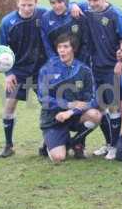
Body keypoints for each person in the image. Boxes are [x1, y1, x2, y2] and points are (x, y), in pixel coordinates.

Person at [71, 0, 122, 160]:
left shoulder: (115, 14)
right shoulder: (87, 10)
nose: (92, 3)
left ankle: (115, 146)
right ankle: (108, 143)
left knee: (113, 107)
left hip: (112, 67)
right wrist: (72, 4)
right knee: (99, 107)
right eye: (89, 0)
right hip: (94, 68)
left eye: (95, 0)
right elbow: (69, 3)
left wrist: (121, 60)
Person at [0, 0, 47, 158]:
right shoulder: (7, 23)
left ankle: (47, 142)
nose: (26, 8)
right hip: (18, 71)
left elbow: (62, 11)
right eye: (23, 5)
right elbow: (3, 51)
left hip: (41, 70)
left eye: (30, 5)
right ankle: (8, 145)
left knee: (48, 105)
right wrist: (8, 73)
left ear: (36, 3)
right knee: (9, 107)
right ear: (17, 3)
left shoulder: (44, 15)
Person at [38, 33, 102, 163]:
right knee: (59, 158)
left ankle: (75, 142)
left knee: (95, 115)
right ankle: (50, 143)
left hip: (74, 116)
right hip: (53, 119)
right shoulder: (47, 69)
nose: (62, 50)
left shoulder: (84, 70)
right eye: (59, 47)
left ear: (74, 49)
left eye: (66, 47)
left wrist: (71, 112)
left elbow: (92, 100)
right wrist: (67, 105)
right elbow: (43, 98)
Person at [41, 0, 90, 65]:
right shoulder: (46, 18)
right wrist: (56, 62)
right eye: (53, 3)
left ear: (66, 1)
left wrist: (78, 63)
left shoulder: (76, 13)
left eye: (60, 2)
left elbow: (86, 42)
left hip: (80, 63)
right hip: (58, 64)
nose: (56, 6)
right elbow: (46, 45)